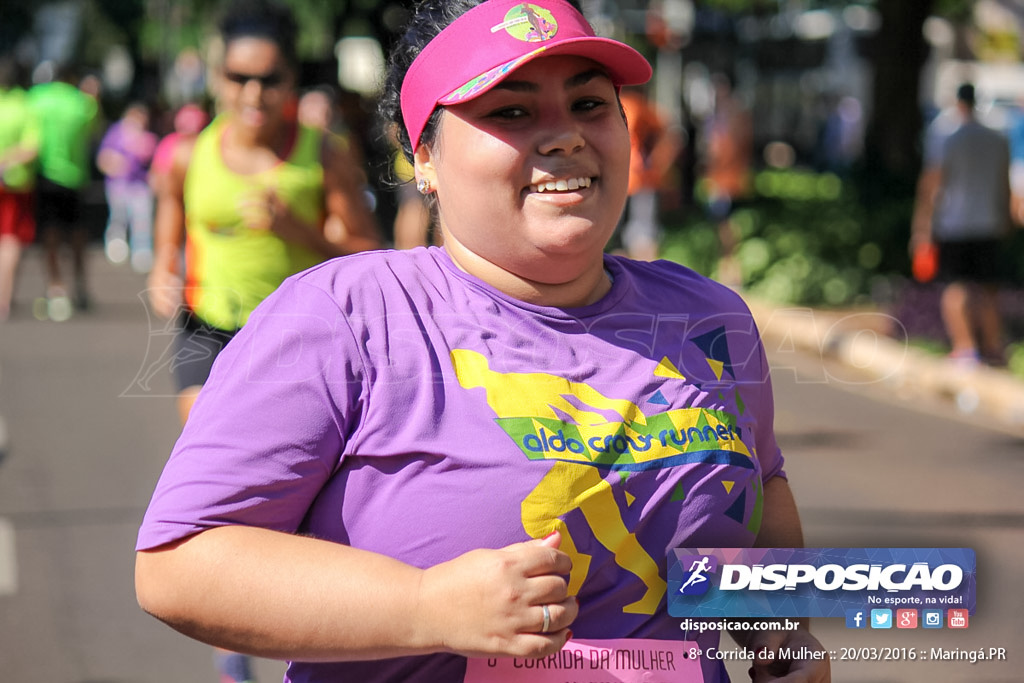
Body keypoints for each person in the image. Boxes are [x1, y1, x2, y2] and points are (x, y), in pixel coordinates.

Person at [135, 2, 829, 683]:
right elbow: (179, 562)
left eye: (590, 103)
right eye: (512, 112)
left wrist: (781, 635)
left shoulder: (707, 318)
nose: (564, 137)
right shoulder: (343, 316)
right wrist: (423, 606)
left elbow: (757, 493)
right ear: (425, 157)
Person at [143, 1, 380, 679]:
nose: (253, 94)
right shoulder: (188, 152)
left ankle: (290, 605)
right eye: (239, 78)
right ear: (218, 77)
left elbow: (367, 249)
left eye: (269, 79)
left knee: (295, 484)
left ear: (289, 80)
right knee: (215, 447)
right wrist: (163, 268)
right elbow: (171, 221)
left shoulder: (321, 155)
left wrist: (295, 228)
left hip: (299, 340)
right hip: (210, 327)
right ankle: (230, 621)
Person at [911, 82, 1012, 366]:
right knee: (989, 287)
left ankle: (965, 348)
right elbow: (1004, 183)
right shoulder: (997, 138)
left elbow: (931, 183)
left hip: (955, 223)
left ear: (957, 103)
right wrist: (1005, 217)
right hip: (989, 221)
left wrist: (922, 226)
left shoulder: (948, 137)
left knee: (956, 287)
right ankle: (993, 347)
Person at [27, 63, 99, 318]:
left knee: (50, 236)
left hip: (46, 176)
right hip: (76, 178)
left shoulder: (36, 99)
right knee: (78, 236)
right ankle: (80, 286)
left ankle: (56, 289)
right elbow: (92, 133)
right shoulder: (83, 103)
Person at [618, 86, 682, 261]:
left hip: (637, 179)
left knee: (640, 233)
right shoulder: (637, 107)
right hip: (629, 179)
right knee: (632, 233)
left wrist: (657, 163)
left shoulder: (634, 106)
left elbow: (670, 138)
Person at [97, 101, 158, 273]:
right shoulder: (116, 133)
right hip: (119, 185)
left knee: (142, 220)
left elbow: (153, 162)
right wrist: (115, 164)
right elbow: (103, 158)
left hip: (139, 185)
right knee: (119, 217)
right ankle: (117, 246)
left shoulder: (147, 137)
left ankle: (142, 252)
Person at [0, 57, 40, 322]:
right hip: (14, 183)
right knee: (10, 240)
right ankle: (4, 299)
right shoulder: (26, 107)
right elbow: (31, 148)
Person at [703, 72, 752, 287]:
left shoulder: (734, 115)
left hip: (727, 180)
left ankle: (732, 275)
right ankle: (727, 273)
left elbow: (731, 148)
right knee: (721, 227)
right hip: (717, 179)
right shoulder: (717, 115)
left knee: (727, 227)